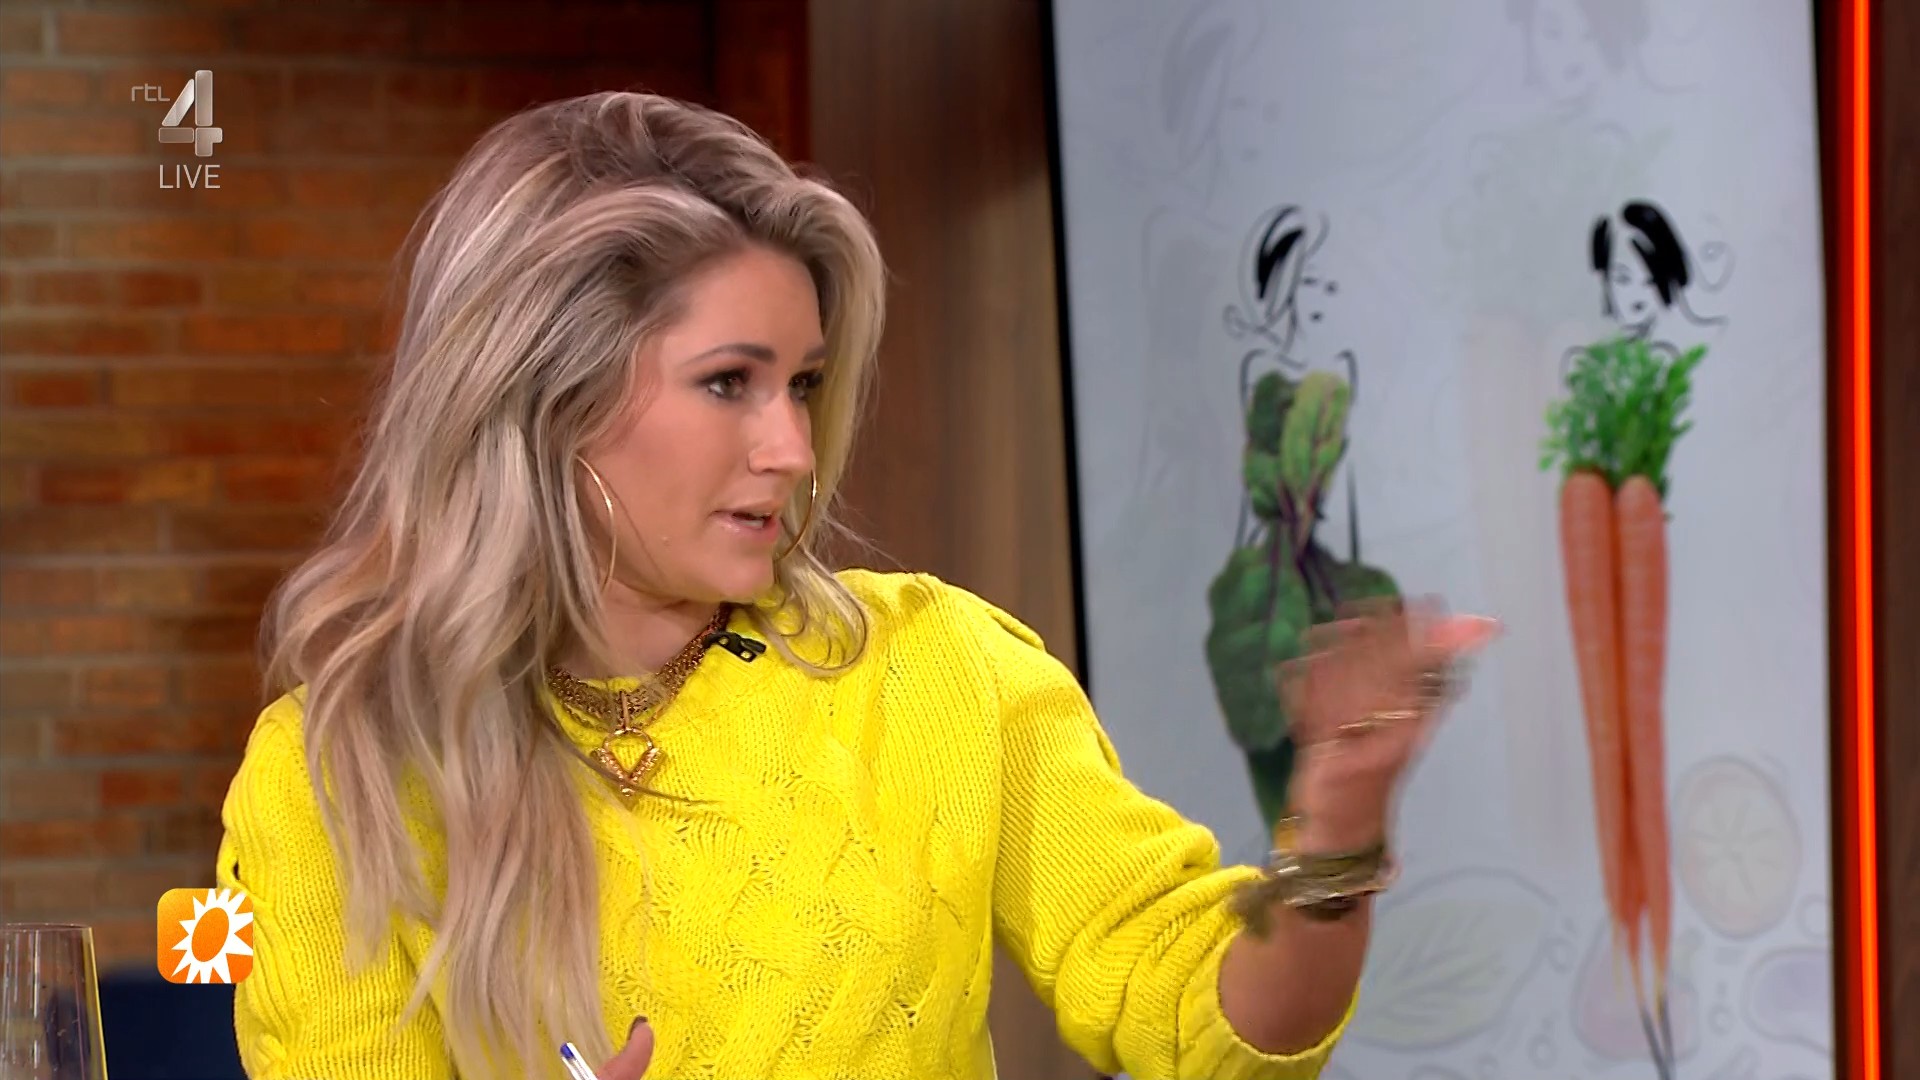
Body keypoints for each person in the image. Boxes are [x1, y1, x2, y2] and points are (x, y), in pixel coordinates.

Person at [215, 91, 1495, 1080]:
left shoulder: (940, 673)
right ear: (549, 399)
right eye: (730, 382)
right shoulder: (340, 778)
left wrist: (1333, 840)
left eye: (806, 384)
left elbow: (1197, 1021)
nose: (791, 447)